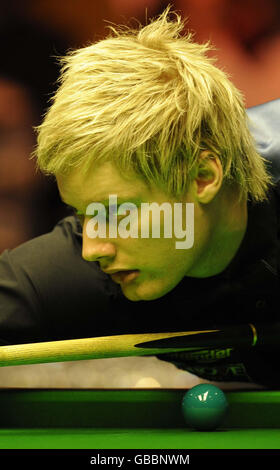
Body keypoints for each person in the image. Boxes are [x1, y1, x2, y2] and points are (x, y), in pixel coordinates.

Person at [0, 8, 279, 388]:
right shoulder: (95, 266)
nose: (92, 248)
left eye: (117, 212)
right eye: (84, 214)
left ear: (202, 178)